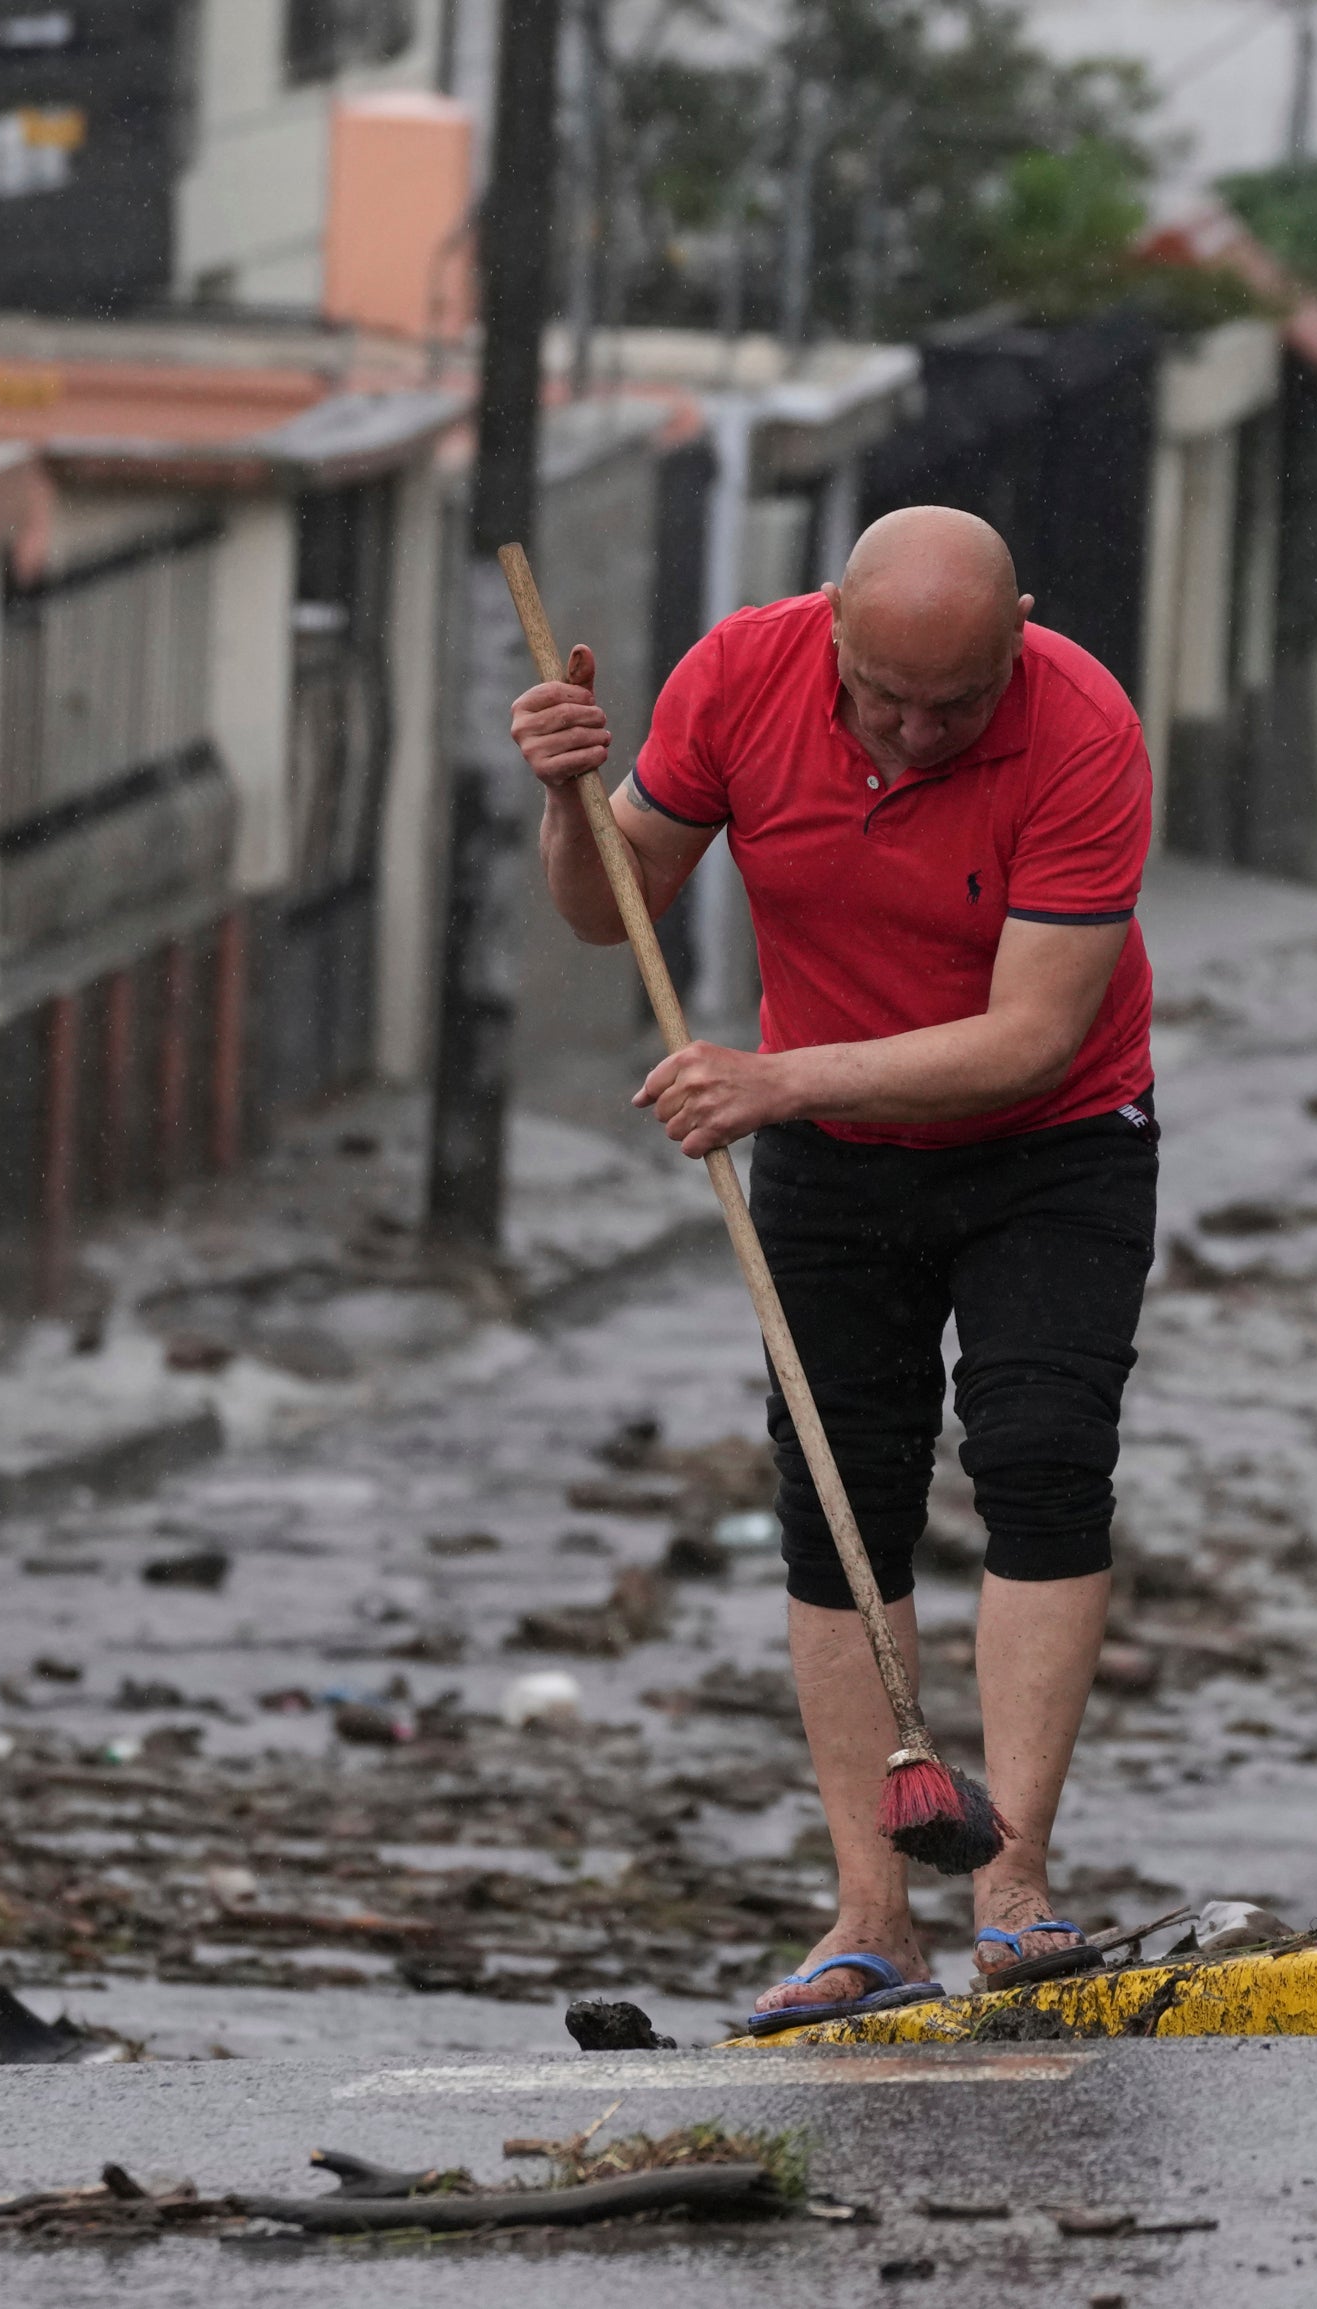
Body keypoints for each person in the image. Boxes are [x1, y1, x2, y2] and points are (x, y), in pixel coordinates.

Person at [509, 506, 1156, 2023]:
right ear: (835, 636)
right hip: (833, 1157)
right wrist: (566, 796)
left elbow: (1030, 1035)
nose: (919, 733)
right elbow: (612, 911)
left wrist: (780, 1080)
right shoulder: (738, 675)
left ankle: (1015, 1883)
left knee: (1045, 1456)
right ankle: (873, 1913)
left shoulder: (1084, 726)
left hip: (1053, 1140)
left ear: (1022, 636)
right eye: (884, 697)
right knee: (839, 1496)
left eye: (958, 702)